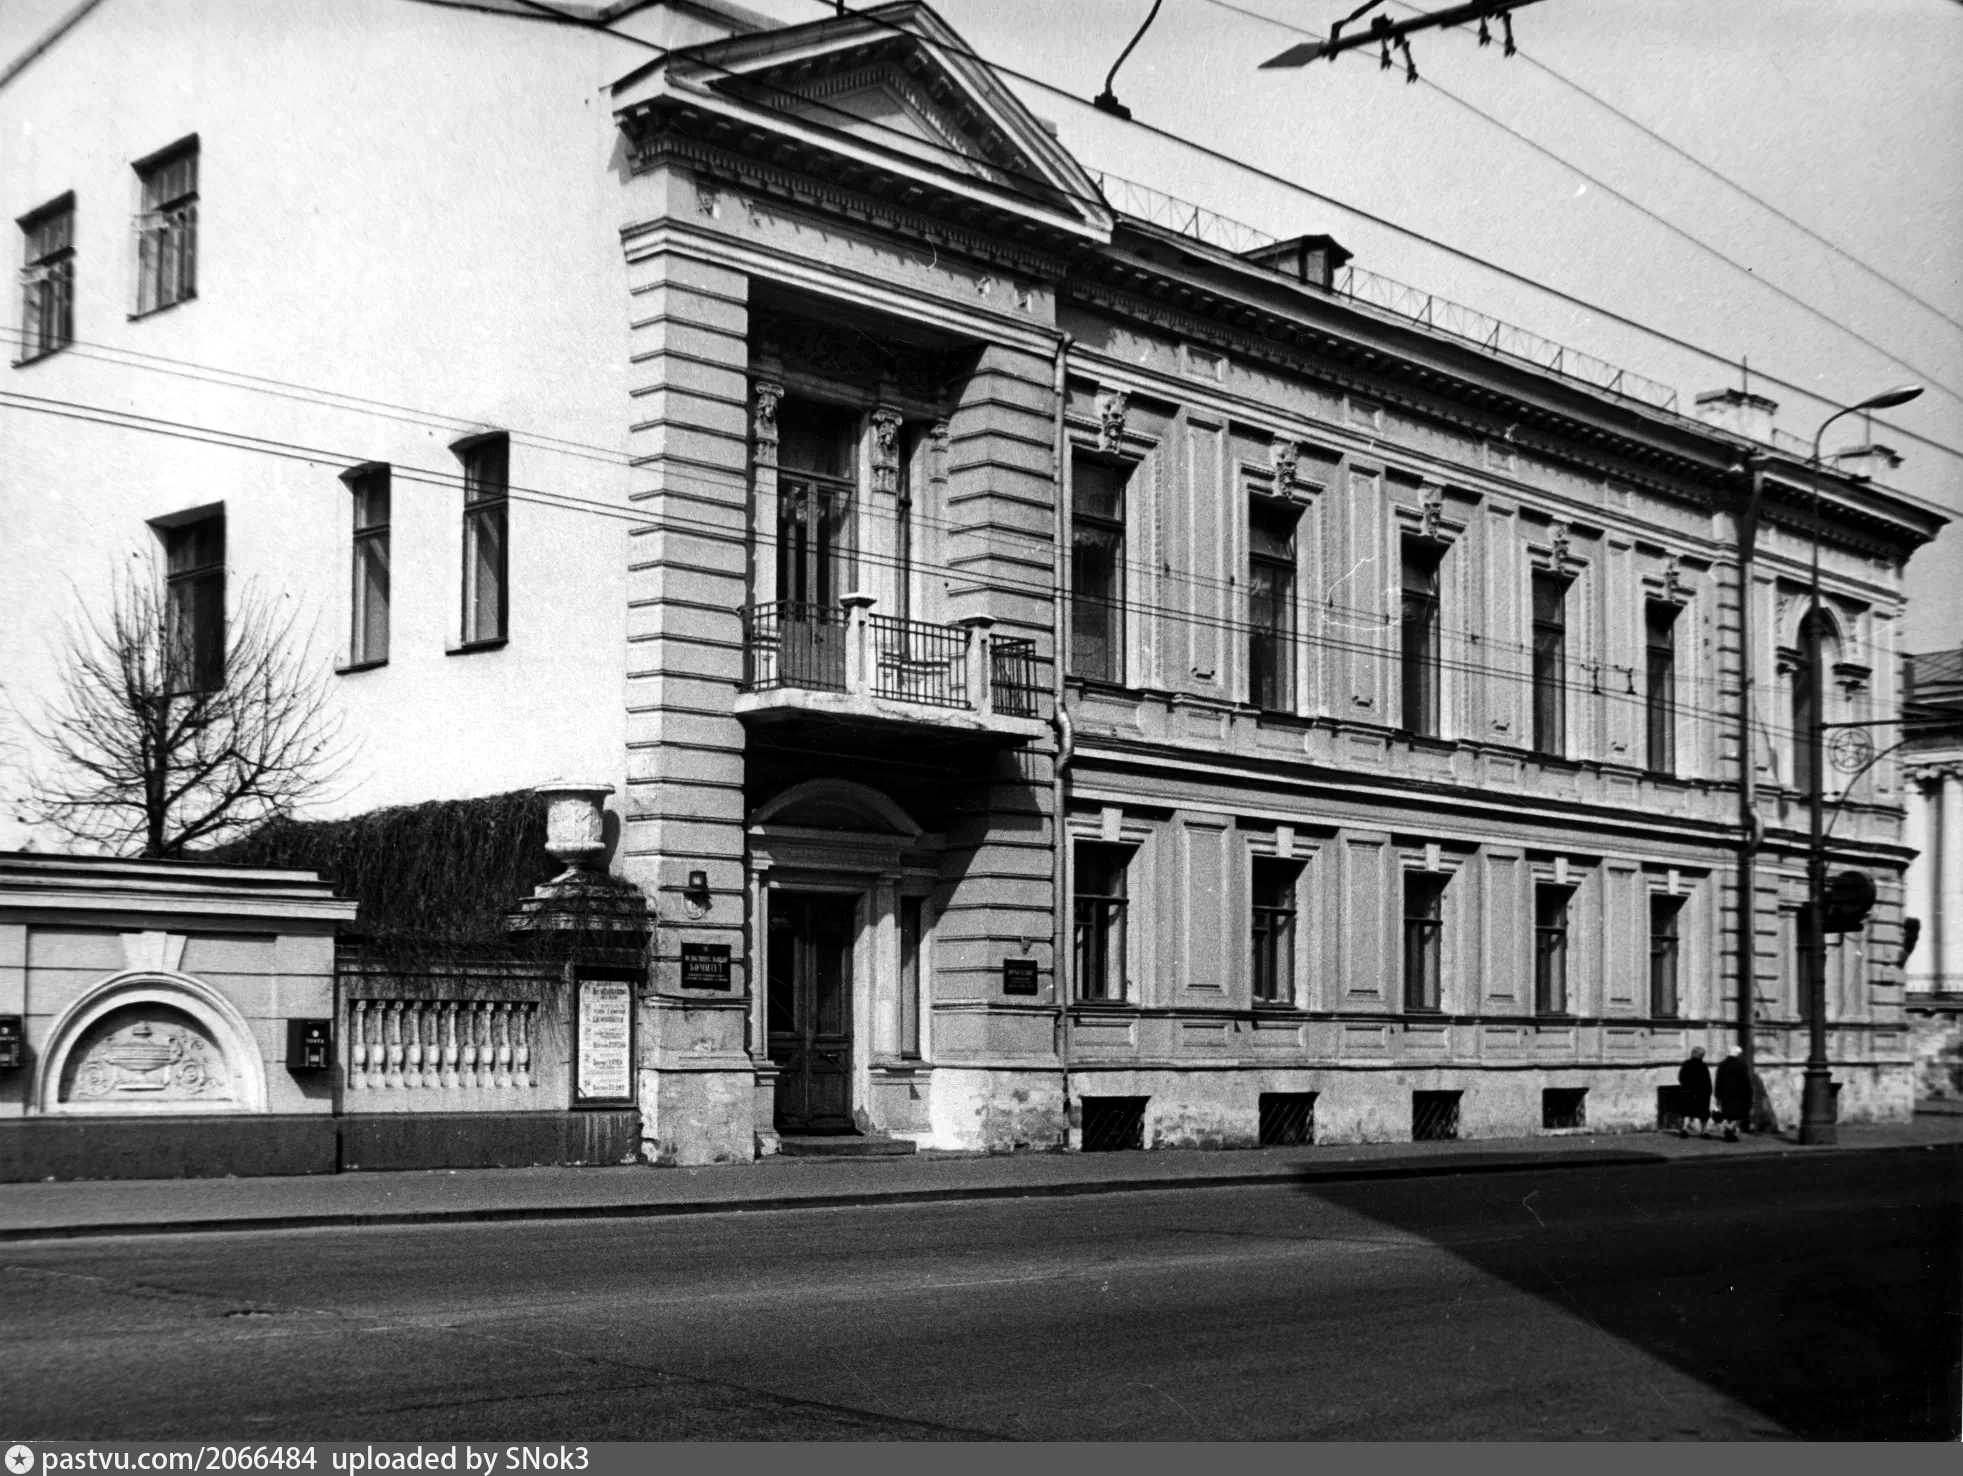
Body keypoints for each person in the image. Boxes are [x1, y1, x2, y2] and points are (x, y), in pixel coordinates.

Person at [1713, 1043, 1752, 1142]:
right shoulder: (1741, 1065)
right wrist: (1749, 1092)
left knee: (1727, 1114)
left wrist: (1717, 1095)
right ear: (1738, 1054)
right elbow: (1745, 1081)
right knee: (1740, 1114)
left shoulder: (1722, 1065)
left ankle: (1729, 1132)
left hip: (1725, 1094)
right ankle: (1729, 1129)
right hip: (1739, 1093)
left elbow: (1718, 1081)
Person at [1676, 1046, 1713, 1139]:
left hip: (1688, 1091)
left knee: (1687, 1111)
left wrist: (1685, 1086)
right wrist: (1709, 1091)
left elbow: (1681, 1077)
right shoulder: (1703, 1066)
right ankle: (1703, 1131)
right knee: (1703, 1113)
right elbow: (1707, 1081)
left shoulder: (1686, 1064)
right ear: (1701, 1055)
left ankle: (1684, 1129)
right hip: (1702, 1093)